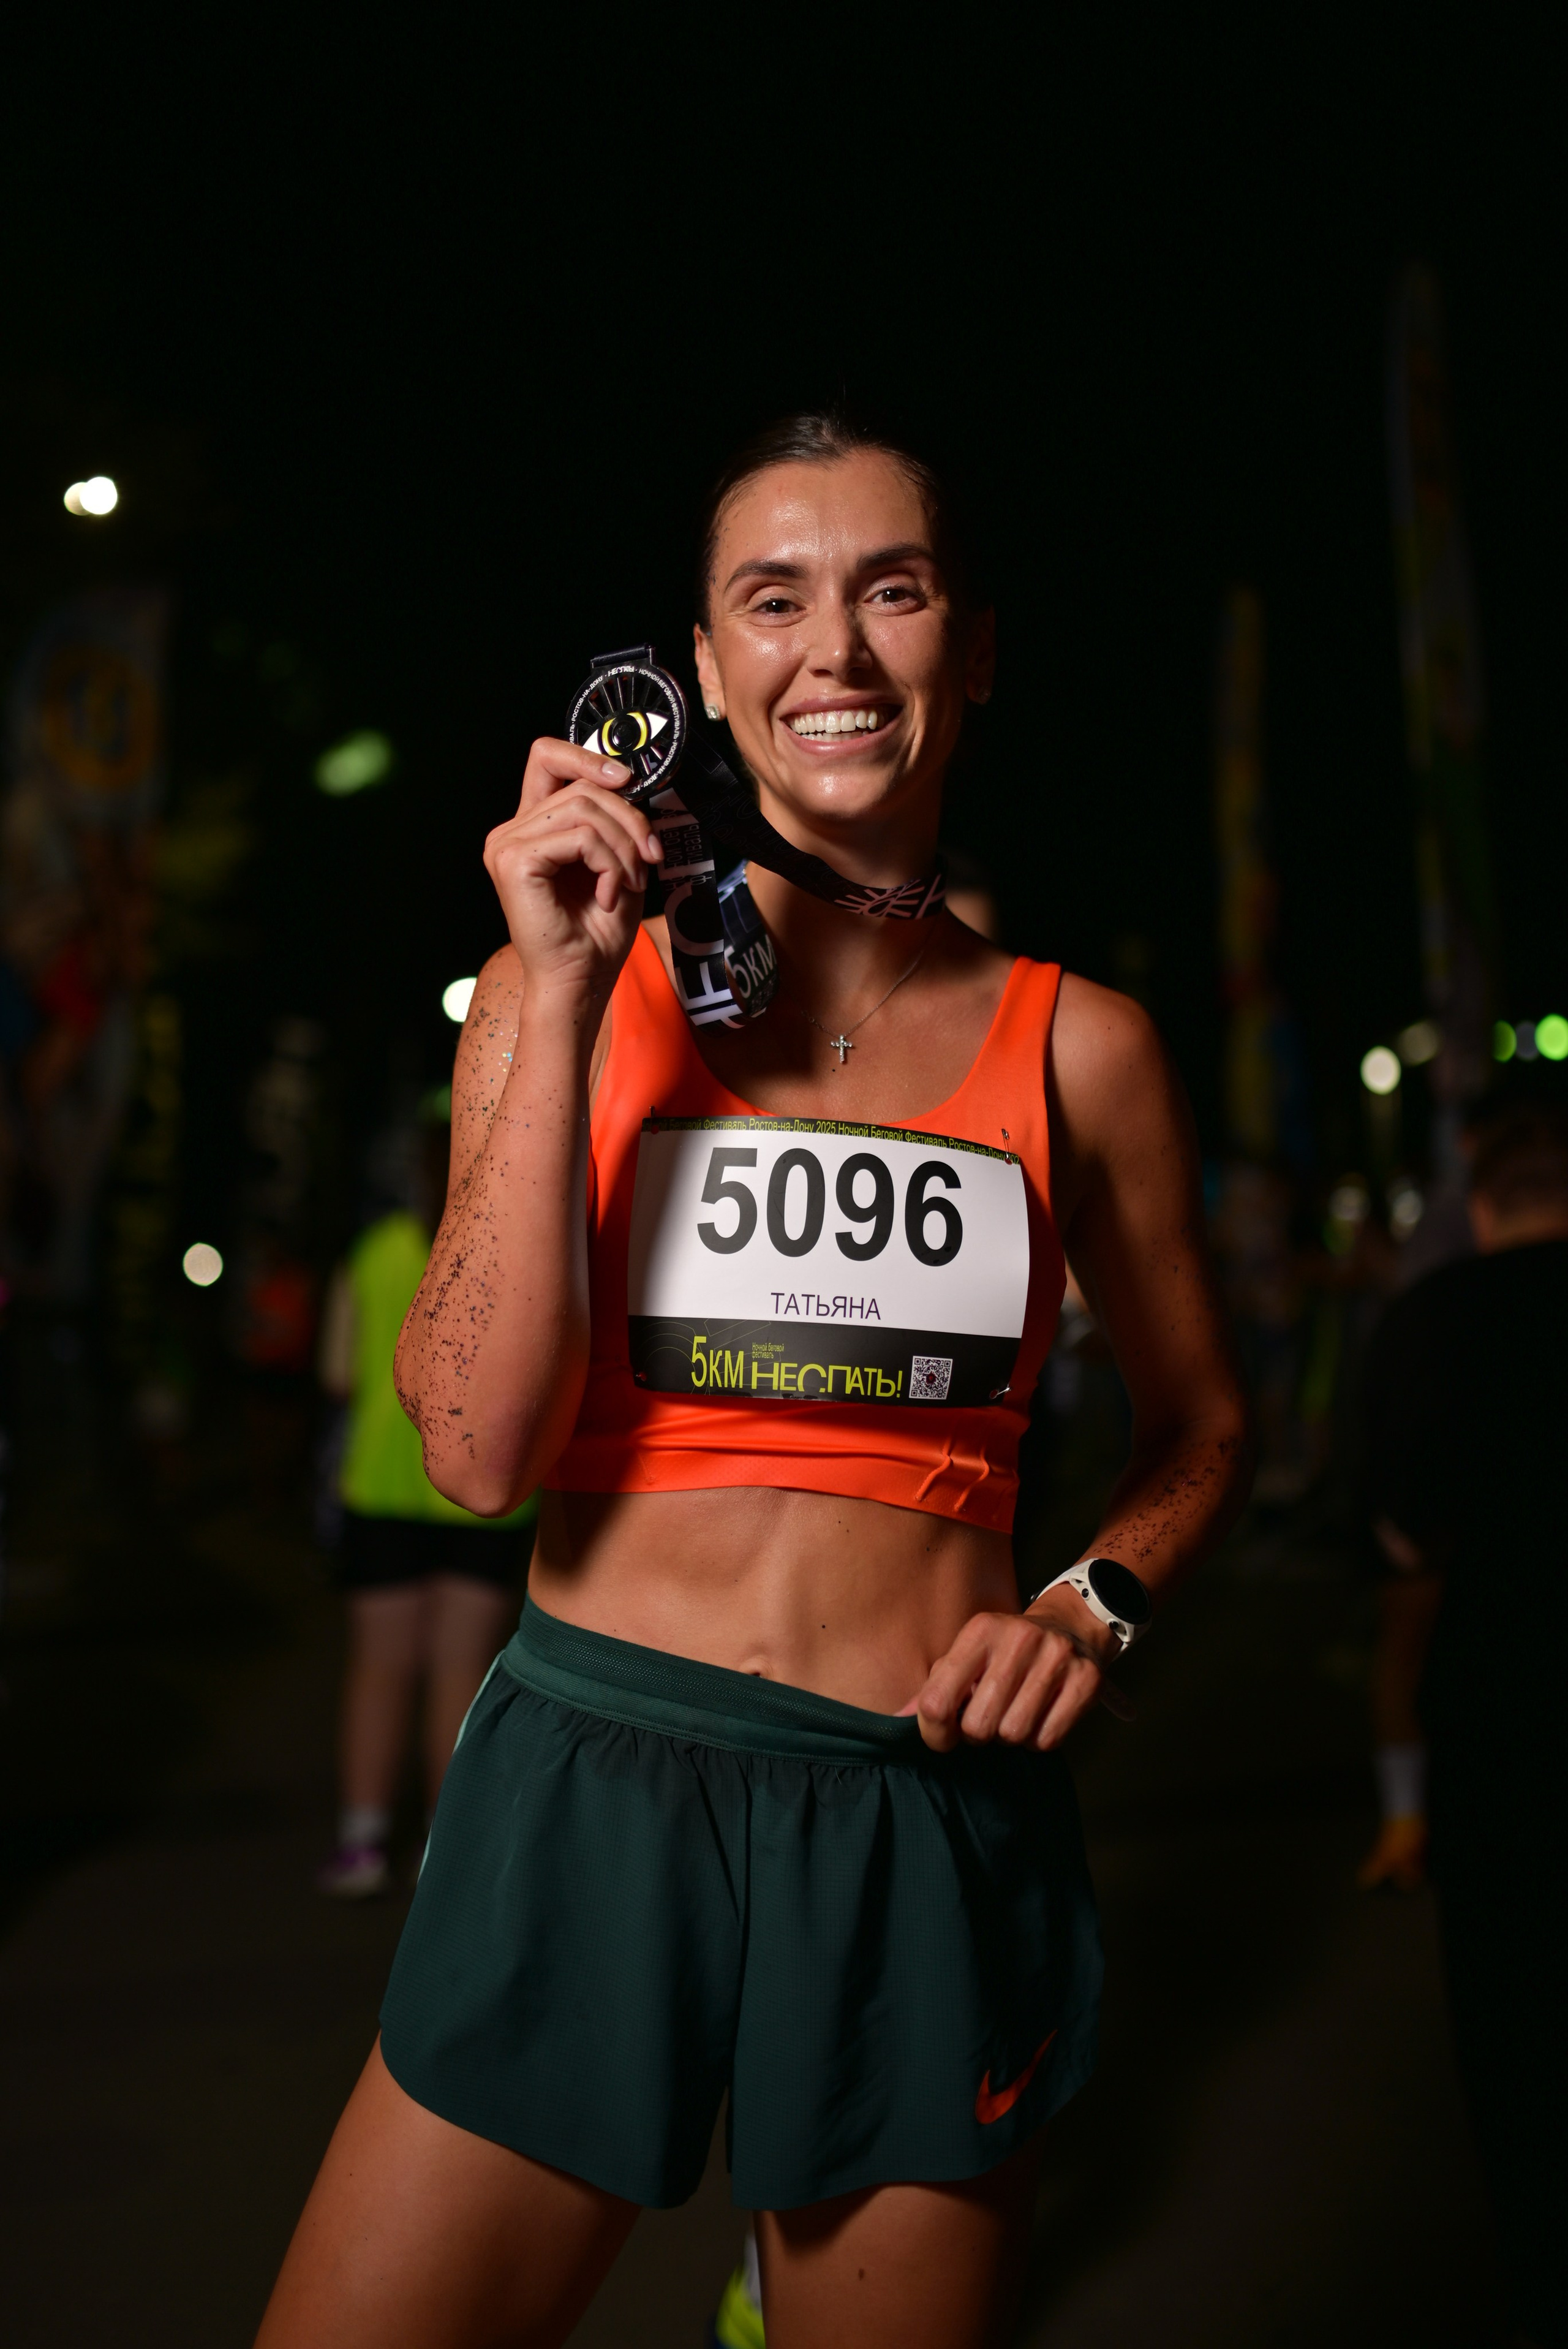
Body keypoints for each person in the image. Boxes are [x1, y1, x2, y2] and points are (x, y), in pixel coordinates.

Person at [257, 412, 1251, 2349]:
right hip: (590, 1778)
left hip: (916, 1816)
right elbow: (471, 1454)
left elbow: (1205, 1430)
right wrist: (559, 992)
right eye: (774, 602)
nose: (837, 650)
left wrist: (1093, 1602)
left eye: (895, 590)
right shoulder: (560, 990)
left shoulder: (1089, 1051)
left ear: (974, 647)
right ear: (706, 673)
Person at [1359, 1103, 1568, 2349]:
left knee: (1512, 2018)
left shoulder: (1431, 1319)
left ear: (1484, 1210)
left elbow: (1397, 1528)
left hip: (1497, 1707)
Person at [315, 1112, 535, 1895]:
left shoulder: (376, 1254)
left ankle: (361, 1841)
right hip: (484, 1495)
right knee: (459, 1671)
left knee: (379, 1668)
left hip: (382, 1489)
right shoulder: (516, 1248)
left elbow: (337, 1375)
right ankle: (440, 1850)